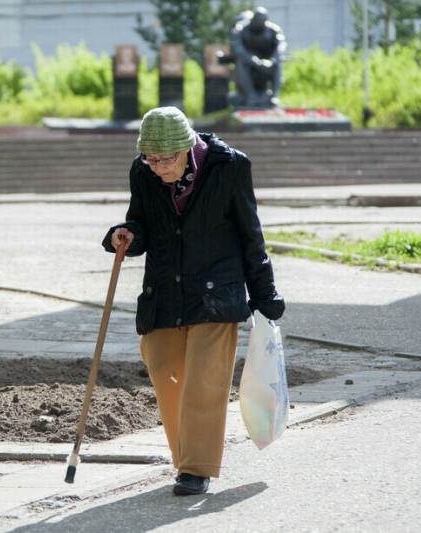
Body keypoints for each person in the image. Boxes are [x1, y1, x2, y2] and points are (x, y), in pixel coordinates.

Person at [102, 106, 285, 496]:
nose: (156, 167)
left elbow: (252, 235)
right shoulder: (143, 172)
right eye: (150, 159)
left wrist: (265, 295)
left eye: (164, 159)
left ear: (187, 147)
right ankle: (186, 457)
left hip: (217, 291)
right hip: (166, 288)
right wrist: (126, 233)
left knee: (204, 379)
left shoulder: (229, 167)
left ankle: (194, 469)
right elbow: (141, 221)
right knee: (164, 365)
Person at [230, 6, 287, 108]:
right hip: (249, 65)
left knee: (277, 64)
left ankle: (274, 96)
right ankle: (251, 95)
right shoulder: (240, 29)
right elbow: (238, 49)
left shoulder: (274, 30)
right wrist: (253, 60)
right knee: (240, 62)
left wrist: (272, 61)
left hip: (267, 65)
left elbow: (281, 46)